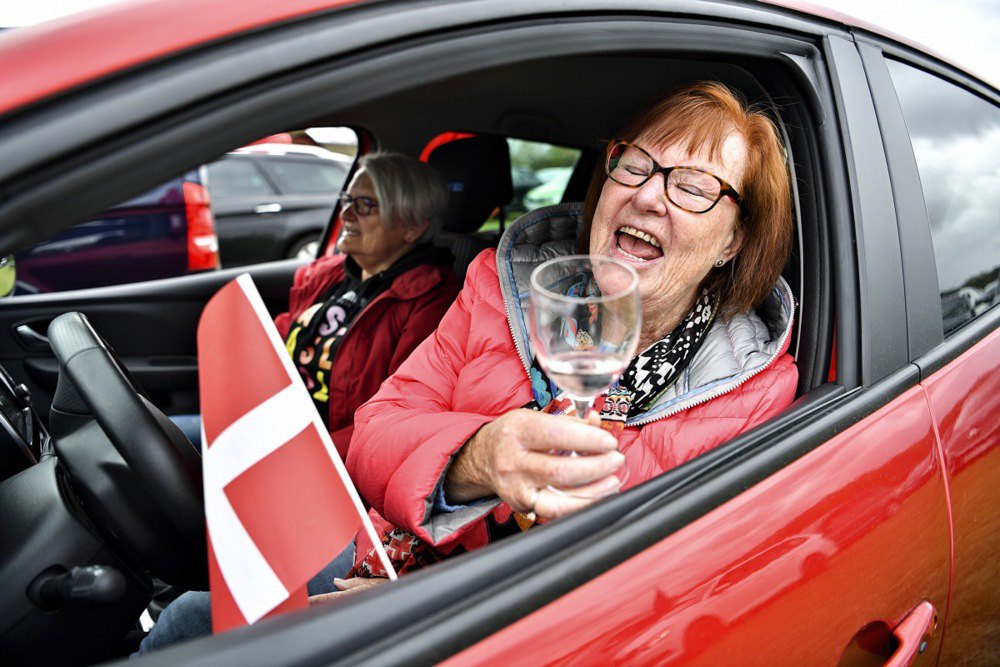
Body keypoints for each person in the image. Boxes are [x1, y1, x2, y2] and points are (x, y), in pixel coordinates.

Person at [343, 82, 798, 577]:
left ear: (731, 241)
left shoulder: (756, 389)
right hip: (386, 555)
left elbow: (681, 586)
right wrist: (477, 457)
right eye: (635, 165)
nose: (646, 195)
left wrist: (424, 607)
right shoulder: (499, 285)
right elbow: (372, 437)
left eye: (691, 187)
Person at [139, 152, 459, 652]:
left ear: (412, 226)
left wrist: (304, 452)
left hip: (324, 457)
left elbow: (393, 417)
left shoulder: (430, 304)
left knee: (186, 610)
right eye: (347, 200)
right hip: (269, 422)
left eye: (365, 205)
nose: (348, 213)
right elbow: (276, 348)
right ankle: (160, 578)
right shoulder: (330, 276)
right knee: (151, 438)